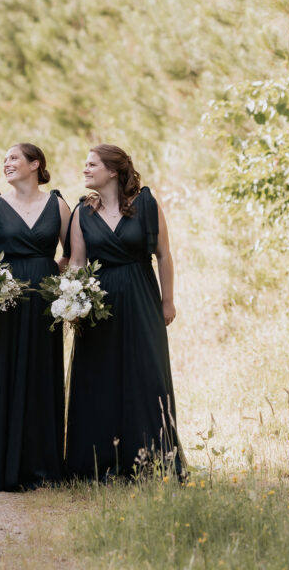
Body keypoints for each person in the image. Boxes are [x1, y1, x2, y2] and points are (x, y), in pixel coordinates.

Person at [65, 144, 184, 479]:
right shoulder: (82, 211)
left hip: (142, 296)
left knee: (147, 375)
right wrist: (73, 303)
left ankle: (151, 461)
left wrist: (167, 300)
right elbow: (77, 262)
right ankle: (97, 462)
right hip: (99, 303)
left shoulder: (146, 203)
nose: (85, 169)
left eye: (92, 164)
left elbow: (163, 254)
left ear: (113, 171)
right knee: (98, 375)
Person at [0, 143, 71, 491]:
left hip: (44, 302)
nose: (6, 163)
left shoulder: (58, 205)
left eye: (14, 158)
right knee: (2, 373)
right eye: (5, 158)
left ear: (35, 164)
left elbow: (71, 256)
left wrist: (64, 292)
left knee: (41, 376)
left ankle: (41, 468)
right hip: (4, 301)